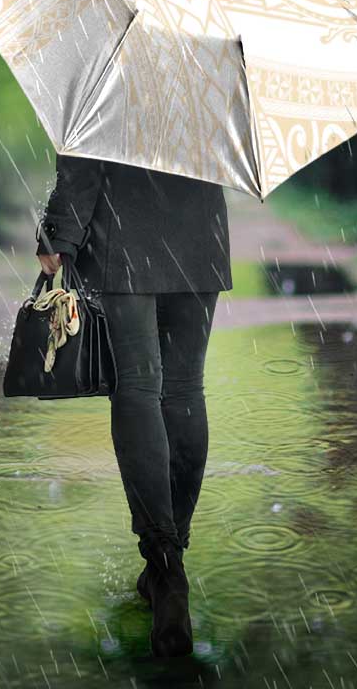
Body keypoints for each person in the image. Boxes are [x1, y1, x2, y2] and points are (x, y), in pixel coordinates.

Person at [35, 151, 232, 658]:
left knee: (138, 388)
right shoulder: (219, 70)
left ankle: (164, 563)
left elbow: (85, 146)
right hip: (198, 230)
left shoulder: (113, 68)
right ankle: (172, 561)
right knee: (186, 388)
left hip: (125, 231)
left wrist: (59, 231)